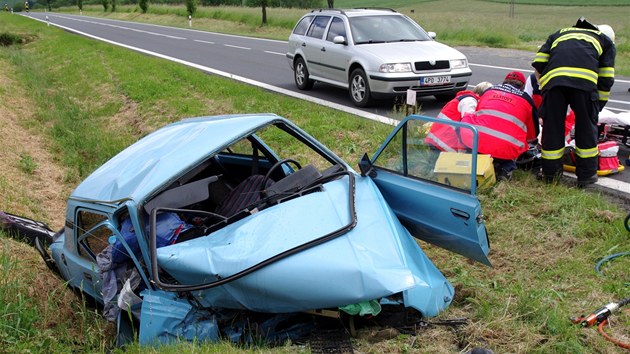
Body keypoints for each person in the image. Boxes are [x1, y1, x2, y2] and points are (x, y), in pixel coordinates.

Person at [532, 18, 616, 186]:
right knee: (586, 130)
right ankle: (586, 178)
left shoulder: (559, 34)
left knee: (552, 129)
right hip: (584, 86)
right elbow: (606, 78)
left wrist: (546, 88)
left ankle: (551, 176)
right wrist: (596, 107)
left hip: (555, 85)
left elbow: (539, 64)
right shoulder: (605, 41)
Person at [460, 71, 539, 181]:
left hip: (477, 142)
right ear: (522, 86)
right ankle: (505, 169)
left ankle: (473, 163)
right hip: (505, 148)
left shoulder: (489, 91)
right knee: (518, 141)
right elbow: (533, 134)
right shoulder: (526, 99)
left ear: (504, 82)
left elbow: (479, 114)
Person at [425, 81, 493, 152]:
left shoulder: (464, 98)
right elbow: (469, 124)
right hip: (444, 144)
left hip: (438, 140)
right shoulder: (470, 101)